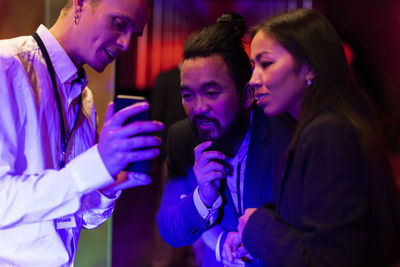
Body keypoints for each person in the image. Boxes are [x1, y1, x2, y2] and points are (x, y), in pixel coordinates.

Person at [222, 8, 400, 266]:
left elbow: (330, 258)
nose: (252, 79)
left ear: (310, 68)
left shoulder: (326, 133)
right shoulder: (321, 124)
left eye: (266, 63)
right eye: (253, 66)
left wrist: (257, 228)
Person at [0, 0, 163, 266]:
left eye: (133, 34)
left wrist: (111, 183)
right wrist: (97, 163)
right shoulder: (6, 66)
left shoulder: (84, 101)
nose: (125, 44)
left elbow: (82, 218)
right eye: (119, 23)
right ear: (80, 4)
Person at [156, 12, 294, 266]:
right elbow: (169, 227)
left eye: (211, 92)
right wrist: (204, 199)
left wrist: (260, 240)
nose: (198, 108)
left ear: (247, 95)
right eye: (188, 95)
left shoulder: (284, 136)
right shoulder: (183, 137)